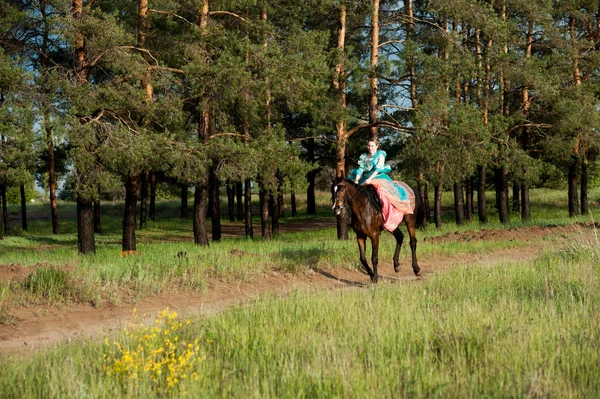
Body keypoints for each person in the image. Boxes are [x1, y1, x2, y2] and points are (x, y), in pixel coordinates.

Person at [348, 139, 414, 231]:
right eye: (368, 146)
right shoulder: (364, 157)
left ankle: (385, 218)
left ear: (376, 146)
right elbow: (360, 169)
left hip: (379, 177)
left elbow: (378, 169)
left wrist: (370, 179)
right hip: (366, 178)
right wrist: (356, 180)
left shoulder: (380, 154)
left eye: (372, 146)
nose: (370, 148)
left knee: (383, 196)